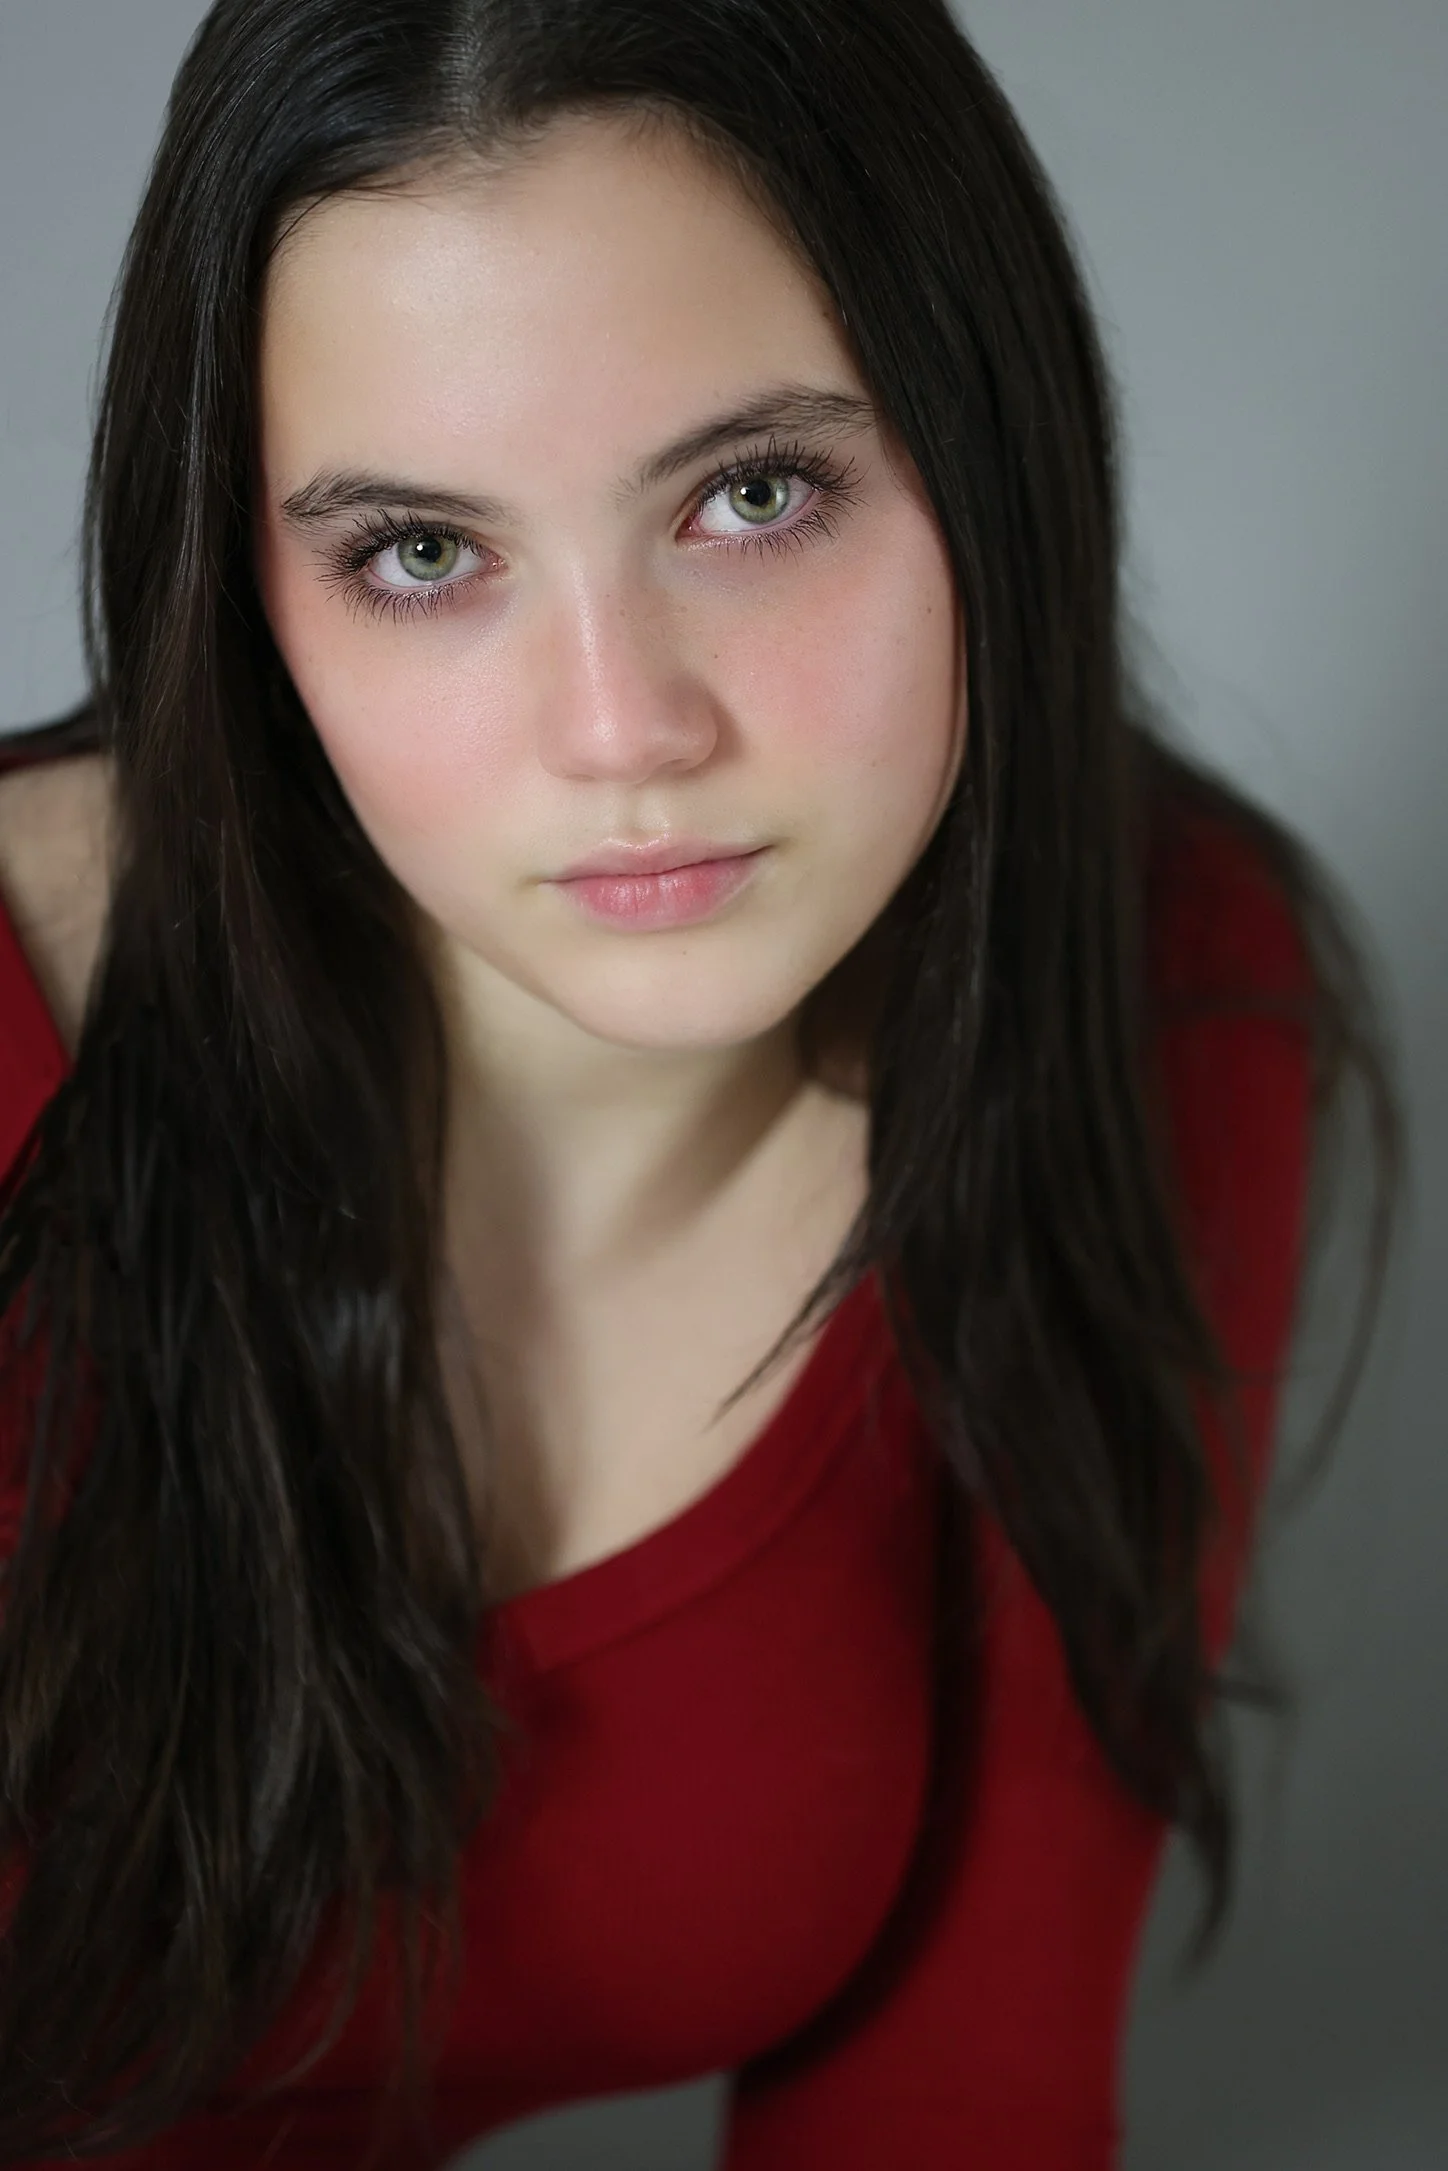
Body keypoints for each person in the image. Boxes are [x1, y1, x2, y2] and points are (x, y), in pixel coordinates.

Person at [0, 1, 1403, 2165]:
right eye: (420, 551)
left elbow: (955, 2104)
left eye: (753, 494)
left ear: (987, 445)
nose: (623, 725)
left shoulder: (1152, 981)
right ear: (248, 597)